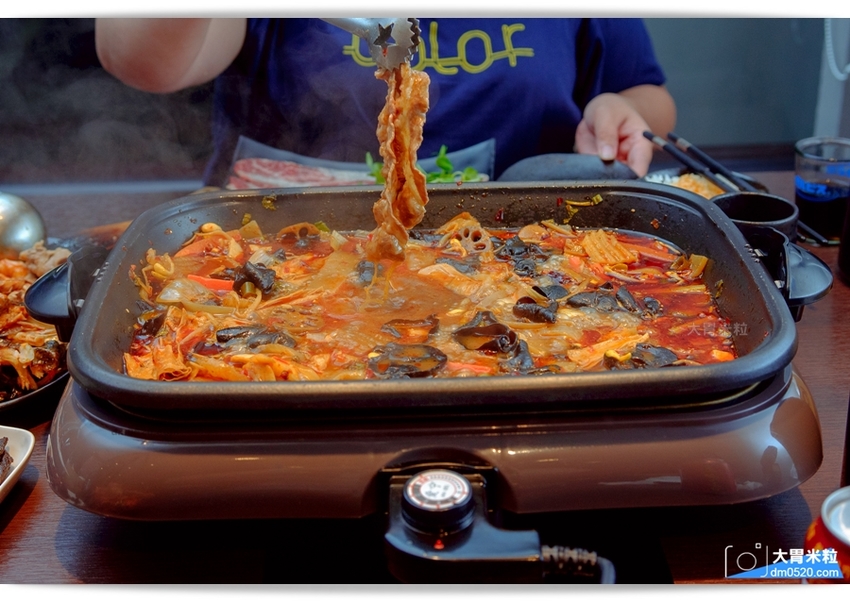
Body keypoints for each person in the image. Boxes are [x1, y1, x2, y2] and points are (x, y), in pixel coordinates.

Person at [95, 18, 676, 185]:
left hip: (529, 264)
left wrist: (617, 111)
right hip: (263, 269)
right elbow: (142, 61)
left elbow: (648, 94)